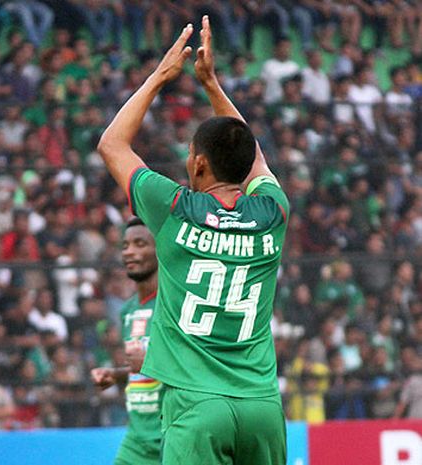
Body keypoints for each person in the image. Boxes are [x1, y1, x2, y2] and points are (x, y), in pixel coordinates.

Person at [97, 16, 288, 465]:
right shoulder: (273, 212)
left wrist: (162, 76)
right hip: (262, 405)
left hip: (197, 406)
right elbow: (253, 155)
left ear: (199, 164)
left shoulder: (173, 208)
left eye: (189, 156)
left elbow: (112, 144)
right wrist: (212, 85)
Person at [90, 217, 162, 465]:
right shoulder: (127, 310)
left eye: (140, 243)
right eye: (125, 245)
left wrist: (150, 360)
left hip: (173, 436)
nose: (130, 251)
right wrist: (116, 375)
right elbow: (141, 370)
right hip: (138, 440)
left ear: (160, 247)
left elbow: (197, 365)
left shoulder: (175, 305)